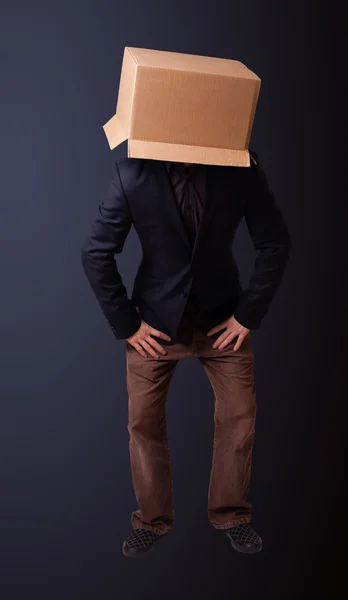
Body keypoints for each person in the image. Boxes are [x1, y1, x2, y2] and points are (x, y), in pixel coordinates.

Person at [81, 150, 291, 556]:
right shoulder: (132, 173)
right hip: (156, 325)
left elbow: (275, 242)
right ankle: (152, 520)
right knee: (143, 422)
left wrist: (248, 314)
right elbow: (95, 253)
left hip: (222, 319)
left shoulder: (240, 167)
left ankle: (231, 514)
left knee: (239, 416)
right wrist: (128, 324)